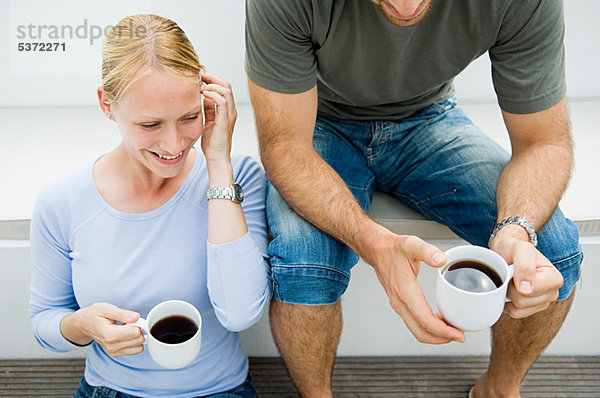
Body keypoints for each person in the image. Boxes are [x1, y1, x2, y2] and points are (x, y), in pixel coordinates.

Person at [244, 0, 583, 397]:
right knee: (305, 268)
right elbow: (285, 145)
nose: (405, 6)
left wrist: (515, 230)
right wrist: (374, 243)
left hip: (429, 118)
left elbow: (543, 142)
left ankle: (498, 389)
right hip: (317, 124)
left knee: (554, 252)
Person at [30, 14, 270, 398]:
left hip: (219, 391)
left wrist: (219, 164)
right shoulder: (63, 201)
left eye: (189, 117)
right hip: (108, 390)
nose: (174, 144)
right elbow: (44, 322)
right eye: (150, 125)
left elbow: (240, 313)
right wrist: (83, 326)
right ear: (106, 105)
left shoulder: (238, 175)